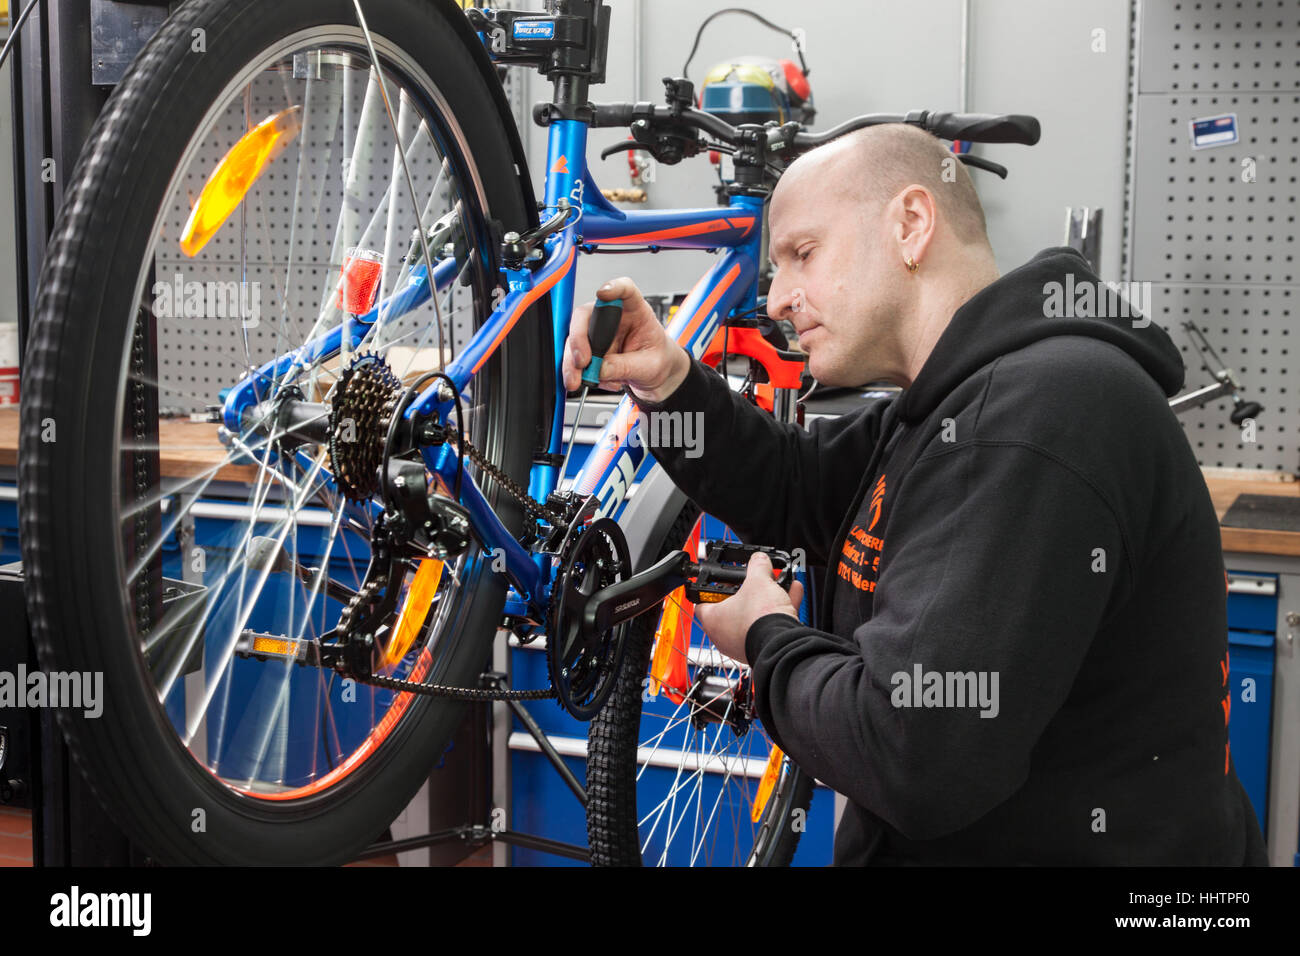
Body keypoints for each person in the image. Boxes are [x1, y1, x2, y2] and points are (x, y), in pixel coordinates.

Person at [561, 124, 1268, 866]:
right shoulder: (948, 408)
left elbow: (912, 750)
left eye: (802, 254)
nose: (776, 299)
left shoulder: (1040, 416)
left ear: (911, 224)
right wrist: (668, 385)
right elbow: (790, 484)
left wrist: (768, 639)